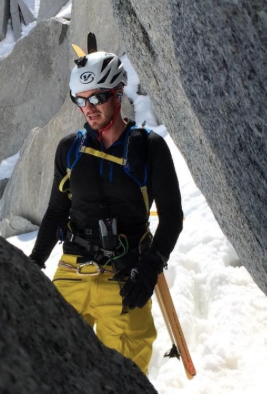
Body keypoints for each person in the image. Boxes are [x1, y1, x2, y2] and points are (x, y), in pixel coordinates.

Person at [29, 48, 183, 374]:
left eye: (97, 98)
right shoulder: (69, 149)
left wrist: (150, 266)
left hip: (126, 276)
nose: (89, 108)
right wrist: (32, 264)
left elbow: (171, 217)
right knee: (52, 371)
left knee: (126, 380)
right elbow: (56, 211)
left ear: (118, 93)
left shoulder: (148, 147)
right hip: (73, 270)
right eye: (80, 100)